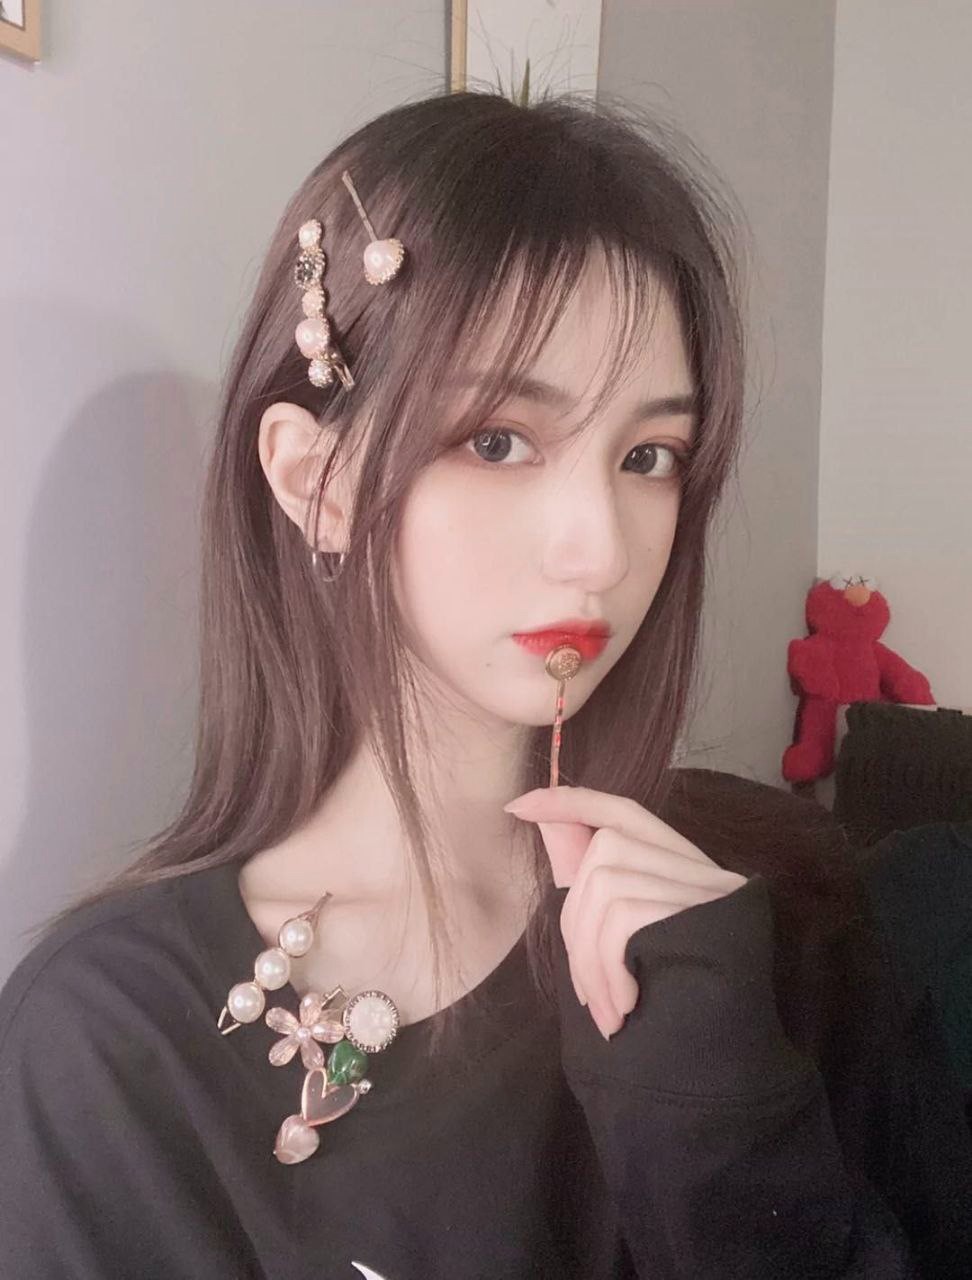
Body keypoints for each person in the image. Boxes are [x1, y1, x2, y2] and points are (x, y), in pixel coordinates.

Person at [0, 89, 969, 1280]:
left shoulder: (783, 912)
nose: (601, 547)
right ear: (316, 479)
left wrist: (728, 1130)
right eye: (498, 440)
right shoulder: (114, 1044)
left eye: (649, 455)